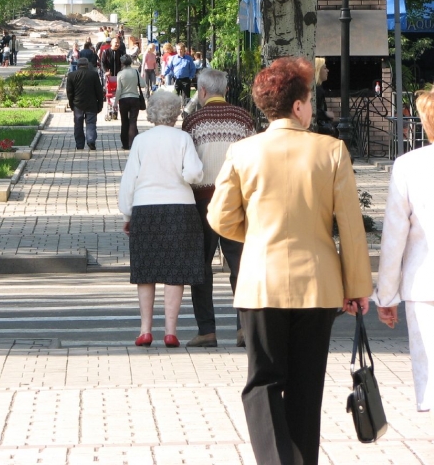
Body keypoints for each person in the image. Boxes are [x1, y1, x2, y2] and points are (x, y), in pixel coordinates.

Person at [207, 57, 372, 465]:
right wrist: (357, 288)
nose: (311, 107)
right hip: (318, 287)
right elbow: (350, 227)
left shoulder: (243, 151)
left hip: (260, 281)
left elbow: (219, 216)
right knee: (305, 386)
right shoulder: (331, 151)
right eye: (310, 99)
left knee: (262, 381)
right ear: (298, 107)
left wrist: (259, 234)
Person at [119, 90, 205, 348]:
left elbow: (129, 181)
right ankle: (171, 331)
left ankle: (145, 330)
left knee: (145, 271)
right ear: (177, 112)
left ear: (152, 112)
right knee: (174, 271)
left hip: (146, 209)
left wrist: (127, 213)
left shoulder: (141, 142)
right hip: (180, 209)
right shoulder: (183, 138)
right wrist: (186, 177)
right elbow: (193, 173)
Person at [181, 69, 256, 348]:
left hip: (203, 202)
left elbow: (185, 163)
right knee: (241, 266)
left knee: (201, 266)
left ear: (202, 92)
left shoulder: (193, 121)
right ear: (224, 90)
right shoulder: (243, 118)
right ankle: (244, 330)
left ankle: (207, 331)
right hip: (238, 201)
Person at [374, 87, 434, 416]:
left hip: (425, 285)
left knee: (431, 376)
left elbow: (395, 237)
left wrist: (386, 296)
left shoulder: (410, 166)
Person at [66, 58, 103, 151]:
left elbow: (69, 92)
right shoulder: (94, 74)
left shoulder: (71, 75)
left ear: (78, 65)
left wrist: (71, 103)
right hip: (92, 103)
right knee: (91, 123)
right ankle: (91, 140)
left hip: (77, 104)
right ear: (87, 65)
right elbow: (99, 90)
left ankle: (79, 144)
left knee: (78, 124)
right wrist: (100, 104)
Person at [115, 55, 146, 150]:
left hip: (123, 100)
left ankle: (125, 144)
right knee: (133, 122)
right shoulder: (135, 72)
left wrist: (115, 102)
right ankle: (133, 143)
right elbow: (143, 84)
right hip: (135, 99)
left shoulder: (120, 74)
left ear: (122, 63)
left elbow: (119, 89)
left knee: (124, 122)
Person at [314, 57, 337, 137]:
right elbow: (313, 110)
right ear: (318, 70)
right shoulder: (317, 90)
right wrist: (326, 114)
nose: (327, 70)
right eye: (324, 68)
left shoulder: (318, 88)